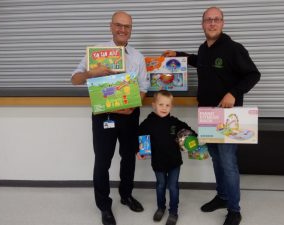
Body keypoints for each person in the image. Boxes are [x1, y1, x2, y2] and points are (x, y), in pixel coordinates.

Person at [162, 6, 261, 225]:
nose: (212, 23)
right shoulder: (205, 48)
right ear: (203, 24)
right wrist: (177, 55)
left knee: (228, 163)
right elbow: (200, 61)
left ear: (223, 23)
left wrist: (233, 93)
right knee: (216, 159)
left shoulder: (234, 48)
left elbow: (254, 74)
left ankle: (234, 210)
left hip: (229, 116)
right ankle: (222, 197)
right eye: (208, 20)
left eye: (216, 19)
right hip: (208, 114)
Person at [71, 11, 149, 225]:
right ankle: (104, 206)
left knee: (129, 157)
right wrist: (91, 73)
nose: (123, 30)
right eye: (118, 25)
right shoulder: (96, 54)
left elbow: (144, 87)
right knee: (102, 161)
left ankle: (126, 195)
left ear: (131, 30)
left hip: (130, 116)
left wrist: (134, 106)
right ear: (111, 26)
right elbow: (74, 79)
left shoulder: (138, 56)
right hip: (104, 115)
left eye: (127, 26)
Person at [138, 90, 197, 225]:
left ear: (171, 106)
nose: (164, 108)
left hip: (174, 162)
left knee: (173, 187)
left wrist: (194, 138)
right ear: (154, 105)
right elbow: (139, 136)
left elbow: (189, 130)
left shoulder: (174, 122)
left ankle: (173, 212)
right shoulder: (148, 123)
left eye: (167, 105)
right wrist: (138, 150)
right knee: (160, 186)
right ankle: (161, 208)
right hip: (158, 162)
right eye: (161, 104)